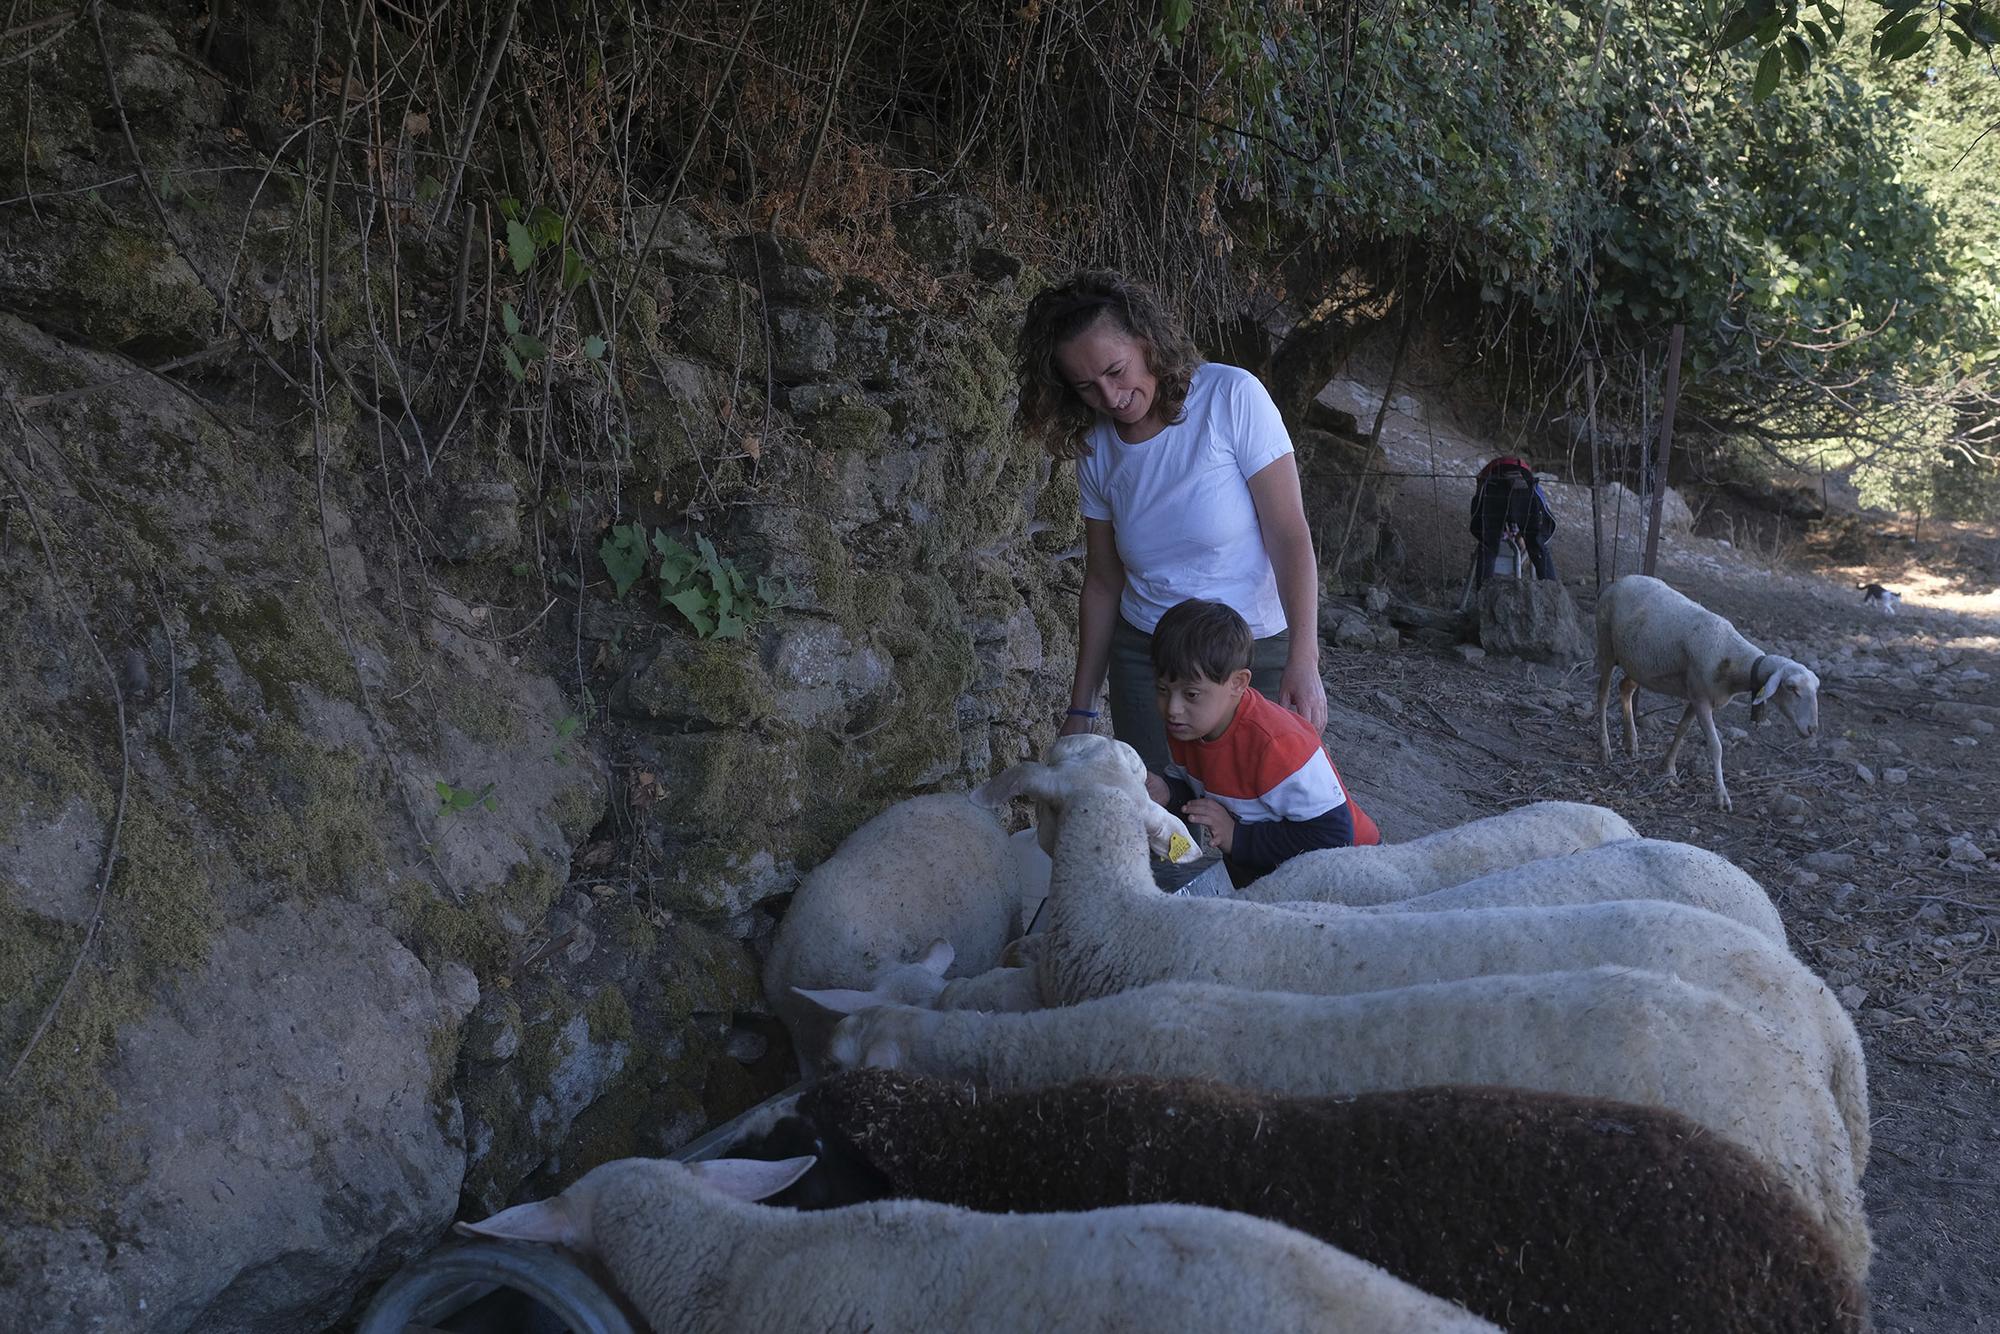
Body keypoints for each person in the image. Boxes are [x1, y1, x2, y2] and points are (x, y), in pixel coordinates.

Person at [1013, 270, 1326, 775]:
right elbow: (1102, 581)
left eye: (1116, 371)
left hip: (1251, 656)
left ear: (1147, 341)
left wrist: (1304, 661)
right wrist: (1081, 709)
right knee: (1162, 833)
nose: (1111, 397)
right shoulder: (1096, 447)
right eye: (1087, 387)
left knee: (1265, 823)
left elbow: (1290, 537)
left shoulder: (1231, 397)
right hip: (1148, 664)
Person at [1140, 599, 1378, 889]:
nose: (1172, 708)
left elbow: (1334, 835)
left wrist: (1237, 837)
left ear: (1238, 683)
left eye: (1191, 694)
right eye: (1163, 690)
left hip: (1349, 873)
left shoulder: (1275, 744)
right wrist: (1168, 792)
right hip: (1270, 873)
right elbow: (1198, 790)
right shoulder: (1190, 726)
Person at [1469, 454, 1557, 585]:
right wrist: (1528, 536)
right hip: (1523, 487)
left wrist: (1493, 532)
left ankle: (1483, 593)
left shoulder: (1487, 473)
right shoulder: (1526, 474)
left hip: (1493, 485)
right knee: (1537, 543)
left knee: (1488, 543)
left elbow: (1478, 504)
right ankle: (1553, 591)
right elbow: (1540, 509)